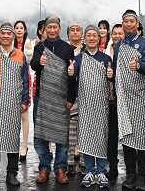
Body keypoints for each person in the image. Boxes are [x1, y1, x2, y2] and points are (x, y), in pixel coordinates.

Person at [31, 15, 77, 185]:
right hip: (43, 97)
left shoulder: (67, 48)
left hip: (61, 97)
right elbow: (33, 65)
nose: (52, 30)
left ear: (59, 29)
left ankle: (60, 169)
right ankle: (44, 168)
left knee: (62, 136)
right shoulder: (39, 47)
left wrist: (71, 97)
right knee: (40, 136)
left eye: (54, 27)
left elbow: (71, 74)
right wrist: (40, 61)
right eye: (49, 27)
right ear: (44, 29)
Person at [0, 23, 30, 187]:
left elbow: (25, 80)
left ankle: (12, 173)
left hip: (13, 102)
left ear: (13, 36)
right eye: (2, 33)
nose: (5, 36)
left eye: (8, 33)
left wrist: (24, 100)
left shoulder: (20, 55)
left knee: (13, 138)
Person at [113, 10, 145, 190]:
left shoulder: (144, 44)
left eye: (131, 21)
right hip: (123, 98)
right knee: (127, 137)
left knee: (141, 139)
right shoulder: (118, 46)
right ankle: (130, 175)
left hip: (140, 96)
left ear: (137, 24)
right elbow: (116, 71)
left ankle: (142, 176)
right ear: (122, 24)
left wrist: (138, 65)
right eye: (126, 21)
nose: (128, 24)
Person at [70, 25, 113, 189]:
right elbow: (73, 77)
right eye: (88, 35)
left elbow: (111, 79)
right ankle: (89, 170)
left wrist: (111, 76)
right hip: (85, 103)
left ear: (99, 38)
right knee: (86, 136)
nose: (92, 38)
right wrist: (71, 72)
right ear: (84, 38)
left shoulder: (106, 58)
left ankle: (101, 171)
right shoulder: (79, 58)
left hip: (101, 104)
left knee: (101, 136)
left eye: (95, 35)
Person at [104, 23, 124, 178]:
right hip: (110, 98)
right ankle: (112, 165)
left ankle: (134, 169)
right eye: (115, 33)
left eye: (120, 33)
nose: (117, 36)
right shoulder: (106, 51)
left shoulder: (127, 49)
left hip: (125, 98)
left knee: (128, 135)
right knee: (111, 135)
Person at [13, 20, 35, 162]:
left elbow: (31, 63)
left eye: (21, 28)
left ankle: (24, 145)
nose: (19, 30)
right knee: (12, 115)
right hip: (10, 81)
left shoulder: (29, 43)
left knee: (24, 114)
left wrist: (28, 51)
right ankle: (13, 143)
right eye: (17, 28)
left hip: (25, 80)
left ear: (25, 30)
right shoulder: (9, 42)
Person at [66, 21, 85, 175]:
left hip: (85, 94)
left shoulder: (87, 50)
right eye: (72, 30)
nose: (75, 32)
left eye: (78, 30)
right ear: (68, 34)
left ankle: (84, 161)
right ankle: (70, 161)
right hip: (69, 94)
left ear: (82, 33)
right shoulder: (65, 50)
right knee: (71, 129)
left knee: (84, 128)